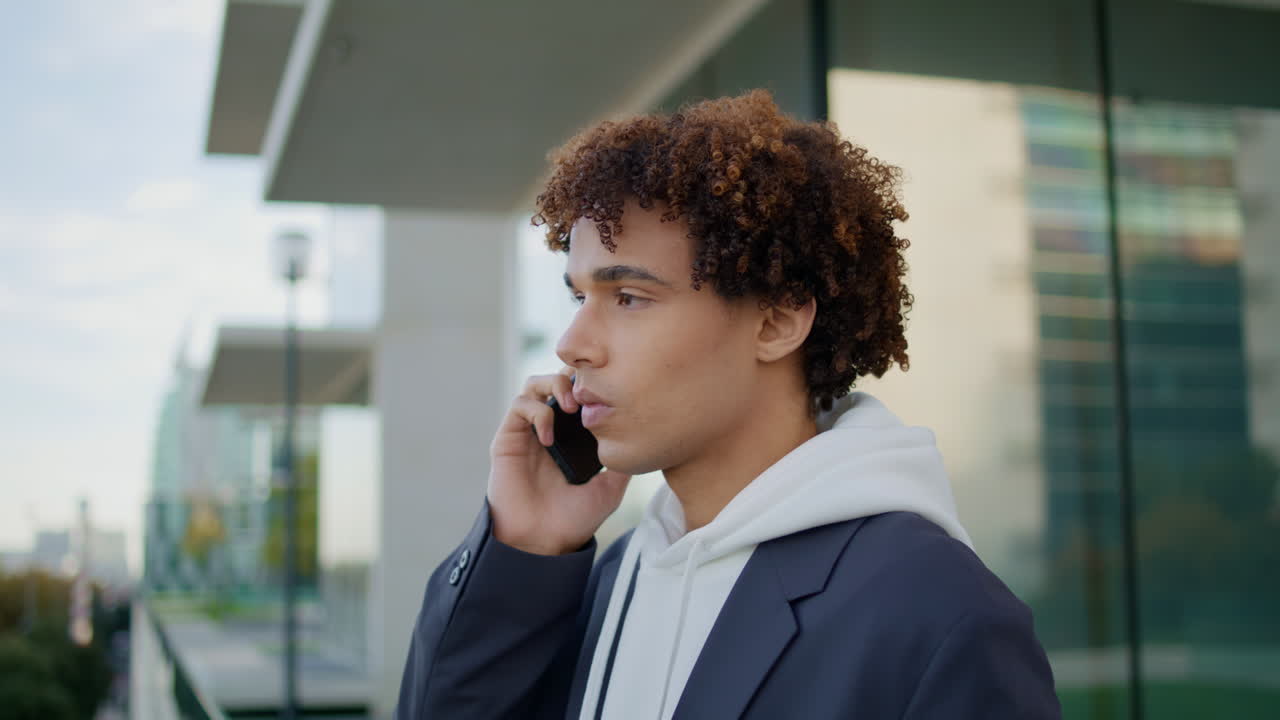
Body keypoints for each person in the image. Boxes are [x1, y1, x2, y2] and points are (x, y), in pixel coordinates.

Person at [393, 90, 1060, 719]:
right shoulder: (612, 575)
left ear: (776, 322)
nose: (572, 345)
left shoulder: (938, 611)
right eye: (578, 297)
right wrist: (524, 549)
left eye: (629, 298)